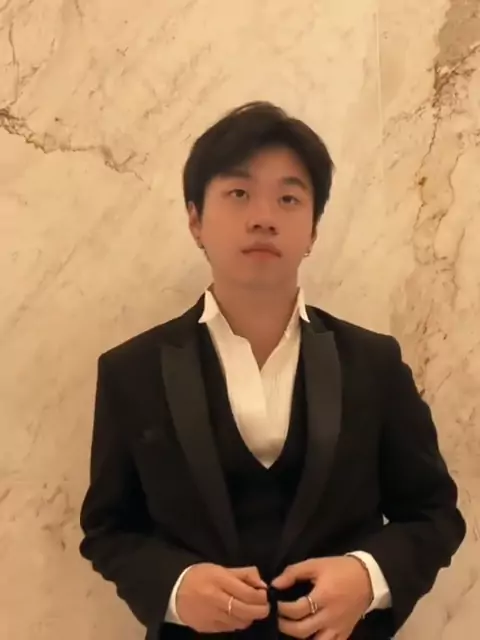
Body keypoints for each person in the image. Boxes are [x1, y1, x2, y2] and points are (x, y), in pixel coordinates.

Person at [79, 102, 466, 640]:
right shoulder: (132, 371)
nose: (264, 217)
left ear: (312, 231)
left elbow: (433, 513)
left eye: (288, 198)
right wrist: (175, 587)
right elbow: (108, 528)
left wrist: (367, 577)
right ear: (195, 220)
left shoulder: (374, 364)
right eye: (239, 193)